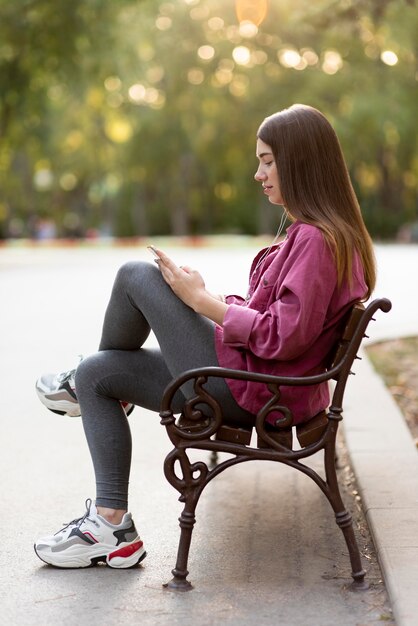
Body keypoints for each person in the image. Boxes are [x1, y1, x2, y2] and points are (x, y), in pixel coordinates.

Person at [34, 103, 376, 569]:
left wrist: (202, 304)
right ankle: (111, 528)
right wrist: (206, 296)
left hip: (255, 390)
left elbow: (284, 338)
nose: (259, 173)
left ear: (301, 161)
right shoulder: (318, 235)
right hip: (256, 380)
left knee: (136, 274)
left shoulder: (318, 241)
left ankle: (74, 386)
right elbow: (274, 318)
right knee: (100, 373)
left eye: (268, 160)